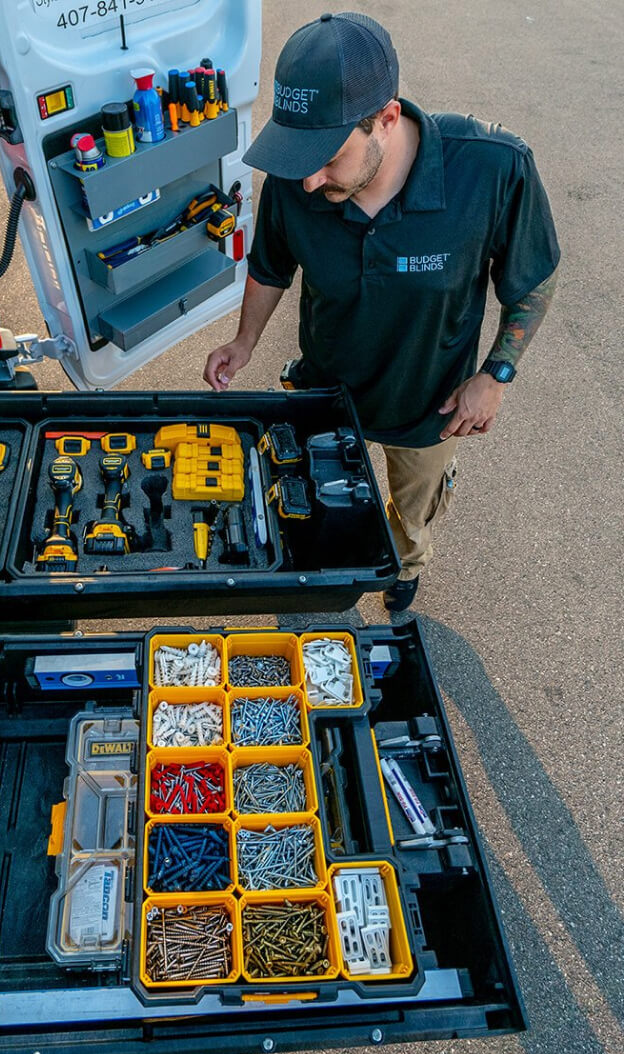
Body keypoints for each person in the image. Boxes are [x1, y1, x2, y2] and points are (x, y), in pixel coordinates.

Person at [204, 12, 559, 611]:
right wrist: (244, 340)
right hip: (326, 389)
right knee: (317, 502)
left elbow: (534, 281)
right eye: (298, 156)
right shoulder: (296, 180)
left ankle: (403, 566)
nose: (310, 179)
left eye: (326, 156)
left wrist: (496, 374)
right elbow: (271, 265)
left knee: (410, 516)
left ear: (386, 118)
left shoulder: (492, 170)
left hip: (429, 409)